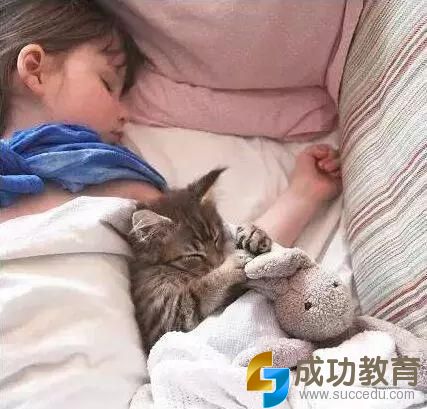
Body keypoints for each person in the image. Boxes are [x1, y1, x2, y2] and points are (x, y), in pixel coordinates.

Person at [0, 0, 341, 248]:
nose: (125, 113)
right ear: (35, 69)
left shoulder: (119, 180)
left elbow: (224, 268)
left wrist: (303, 195)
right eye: (107, 83)